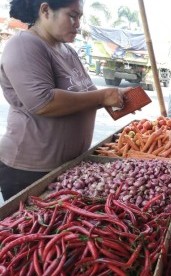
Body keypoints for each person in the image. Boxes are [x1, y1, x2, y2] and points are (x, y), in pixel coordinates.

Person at [0, 0, 130, 201]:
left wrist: (117, 97)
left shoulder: (67, 51)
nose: (78, 24)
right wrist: (103, 96)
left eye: (79, 18)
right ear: (45, 10)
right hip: (31, 171)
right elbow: (42, 101)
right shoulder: (24, 44)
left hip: (67, 167)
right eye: (72, 16)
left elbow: (88, 95)